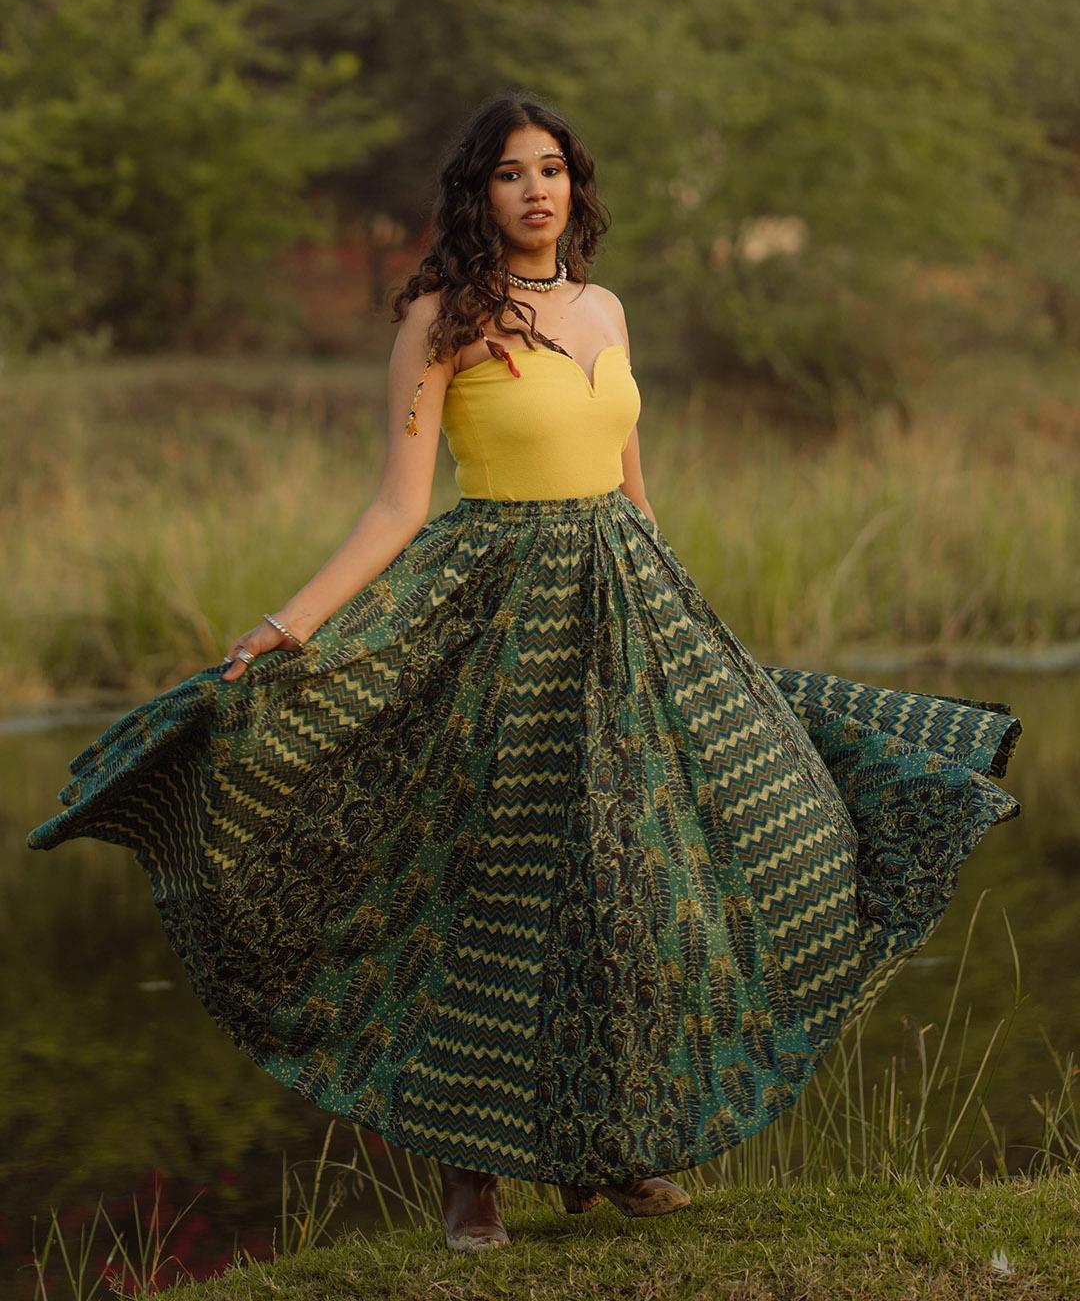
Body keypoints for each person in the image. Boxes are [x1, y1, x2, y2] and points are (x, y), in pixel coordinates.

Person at [27, 89, 1023, 1255]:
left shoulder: (606, 307)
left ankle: (614, 1151)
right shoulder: (442, 317)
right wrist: (289, 624)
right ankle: (473, 1182)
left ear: (575, 185)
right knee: (490, 887)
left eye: (551, 168)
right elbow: (400, 502)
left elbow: (634, 488)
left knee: (656, 876)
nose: (535, 189)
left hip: (633, 604)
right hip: (502, 617)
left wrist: (693, 627)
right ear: (477, 194)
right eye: (510, 173)